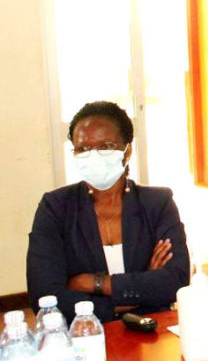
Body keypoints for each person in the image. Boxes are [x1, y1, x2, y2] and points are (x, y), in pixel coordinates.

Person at [27, 101, 190, 323]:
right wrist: (135, 295)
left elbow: (176, 281)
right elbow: (44, 297)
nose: (94, 156)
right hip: (82, 334)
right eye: (83, 149)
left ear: (127, 150)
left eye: (105, 146)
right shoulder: (55, 208)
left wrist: (94, 283)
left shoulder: (157, 203)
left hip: (151, 330)